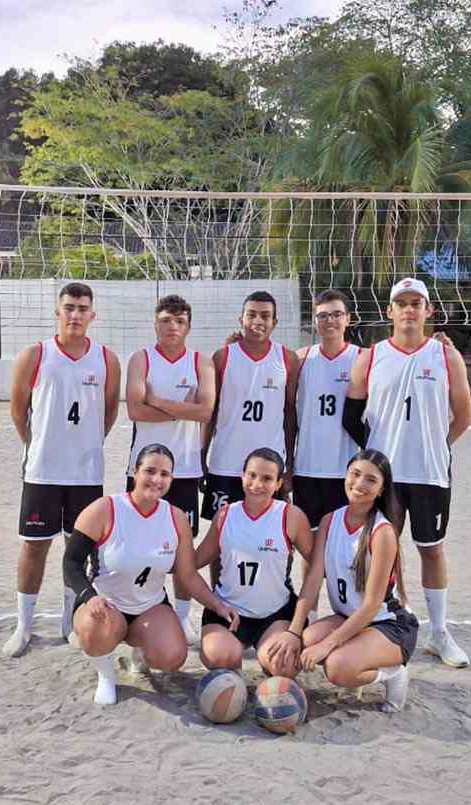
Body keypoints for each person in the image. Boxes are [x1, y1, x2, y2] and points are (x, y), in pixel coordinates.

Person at [343, 277, 471, 667]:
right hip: (388, 477)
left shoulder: (446, 356)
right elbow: (352, 416)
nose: (410, 309)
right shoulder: (372, 355)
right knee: (382, 552)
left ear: (428, 311)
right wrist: (377, 456)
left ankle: (439, 634)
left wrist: (435, 444)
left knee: (431, 549)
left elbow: (463, 415)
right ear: (390, 311)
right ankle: (384, 625)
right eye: (402, 303)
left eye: (417, 302)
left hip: (430, 473)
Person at [64, 444, 240, 705]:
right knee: (93, 628)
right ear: (134, 471)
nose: (156, 479)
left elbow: (187, 574)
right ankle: (106, 675)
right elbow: (71, 563)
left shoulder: (175, 517)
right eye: (149, 471)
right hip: (105, 603)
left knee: (172, 657)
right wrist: (90, 597)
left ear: (171, 479)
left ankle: (139, 654)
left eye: (165, 474)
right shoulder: (105, 509)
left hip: (149, 605)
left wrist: (218, 605)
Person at [2, 282, 122, 658]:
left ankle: (70, 621)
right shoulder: (35, 355)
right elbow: (19, 411)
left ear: (92, 315)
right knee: (34, 547)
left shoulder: (106, 359)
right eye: (69, 307)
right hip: (42, 472)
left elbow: (109, 412)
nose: (75, 314)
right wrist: (40, 446)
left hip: (86, 475)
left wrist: (85, 445)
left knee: (78, 549)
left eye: (82, 308)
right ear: (57, 312)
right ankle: (24, 625)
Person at [272, 449, 418, 712]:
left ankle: (393, 674)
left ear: (382, 490)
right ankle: (353, 652)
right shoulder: (330, 521)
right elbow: (313, 579)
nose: (360, 484)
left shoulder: (382, 532)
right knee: (305, 640)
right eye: (355, 474)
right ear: (346, 475)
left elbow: (372, 606)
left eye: (371, 480)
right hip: (348, 617)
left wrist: (328, 645)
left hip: (389, 624)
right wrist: (293, 631)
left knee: (337, 668)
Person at [125, 294, 216, 641]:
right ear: (156, 324)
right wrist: (183, 408)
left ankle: (181, 618)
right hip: (144, 468)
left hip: (186, 469)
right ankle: (139, 608)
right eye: (166, 320)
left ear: (188, 326)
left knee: (183, 549)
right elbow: (135, 411)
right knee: (140, 543)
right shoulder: (141, 359)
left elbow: (205, 411)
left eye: (179, 321)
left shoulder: (200, 362)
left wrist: (158, 400)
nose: (172, 326)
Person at [193, 448, 313, 678]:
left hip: (275, 613)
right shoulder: (225, 515)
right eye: (252, 475)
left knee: (284, 665)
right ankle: (232, 670)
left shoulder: (291, 516)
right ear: (242, 476)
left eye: (267, 478)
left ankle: (267, 658)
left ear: (279, 483)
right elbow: (194, 563)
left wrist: (297, 628)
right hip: (228, 611)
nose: (257, 483)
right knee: (219, 658)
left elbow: (318, 567)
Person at [202, 291, 300, 525]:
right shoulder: (222, 357)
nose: (258, 321)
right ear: (241, 319)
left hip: (269, 467)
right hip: (226, 462)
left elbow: (290, 415)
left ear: (274, 323)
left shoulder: (287, 359)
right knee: (221, 534)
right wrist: (201, 457)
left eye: (265, 316)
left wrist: (289, 466)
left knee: (272, 532)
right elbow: (211, 414)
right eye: (252, 315)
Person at [293, 289, 360, 530]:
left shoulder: (363, 359)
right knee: (309, 547)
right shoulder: (300, 359)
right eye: (322, 316)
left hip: (347, 471)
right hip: (307, 469)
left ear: (348, 319)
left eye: (336, 314)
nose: (329, 320)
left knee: (345, 545)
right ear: (315, 321)